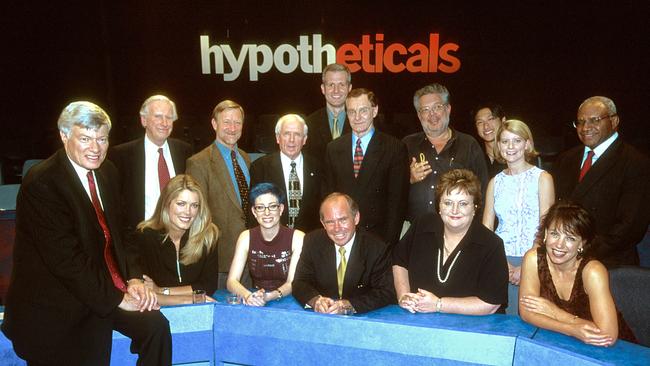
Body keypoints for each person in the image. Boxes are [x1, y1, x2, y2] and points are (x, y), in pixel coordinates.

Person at [1, 101, 171, 365]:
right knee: (91, 345)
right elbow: (67, 261)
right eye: (85, 138)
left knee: (156, 328)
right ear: (64, 136)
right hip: (56, 304)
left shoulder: (108, 172)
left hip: (101, 287)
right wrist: (118, 298)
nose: (95, 148)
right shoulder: (42, 182)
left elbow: (123, 234)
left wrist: (134, 278)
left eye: (102, 139)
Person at [519, 201, 637, 346]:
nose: (559, 245)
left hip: (612, 351)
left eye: (570, 238)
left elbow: (607, 336)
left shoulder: (593, 271)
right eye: (554, 234)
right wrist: (571, 329)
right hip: (565, 340)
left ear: (582, 243)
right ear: (545, 234)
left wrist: (554, 313)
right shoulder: (533, 259)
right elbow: (526, 312)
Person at [393, 169, 508, 315]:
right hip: (420, 321)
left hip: (472, 328)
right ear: (439, 206)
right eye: (448, 203)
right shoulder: (422, 225)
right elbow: (399, 261)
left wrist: (439, 305)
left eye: (463, 204)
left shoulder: (491, 244)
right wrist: (404, 296)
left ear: (475, 208)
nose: (454, 210)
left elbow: (491, 303)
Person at [553, 96, 650, 267]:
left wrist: (582, 252)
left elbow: (630, 227)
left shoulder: (635, 163)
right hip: (564, 262)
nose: (585, 128)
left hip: (611, 265)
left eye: (594, 120)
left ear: (614, 121)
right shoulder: (566, 159)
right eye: (580, 122)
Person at [482, 119, 554, 314]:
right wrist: (501, 263)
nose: (511, 146)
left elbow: (547, 225)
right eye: (505, 141)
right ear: (498, 146)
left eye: (517, 140)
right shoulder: (494, 182)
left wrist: (527, 265)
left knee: (529, 317)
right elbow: (486, 227)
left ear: (527, 144)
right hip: (499, 258)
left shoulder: (543, 178)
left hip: (534, 256)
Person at [325, 88, 409, 246]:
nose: (357, 117)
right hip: (341, 237)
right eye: (351, 112)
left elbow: (397, 204)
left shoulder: (394, 148)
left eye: (363, 111)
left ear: (375, 111)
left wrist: (387, 245)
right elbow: (330, 196)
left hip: (378, 240)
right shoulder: (333, 148)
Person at [293, 193, 394, 314]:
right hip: (323, 316)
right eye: (330, 222)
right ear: (323, 223)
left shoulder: (377, 248)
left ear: (356, 218)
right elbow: (300, 282)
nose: (337, 228)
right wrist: (316, 301)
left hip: (362, 318)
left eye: (342, 220)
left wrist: (349, 306)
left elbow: (386, 291)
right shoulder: (312, 241)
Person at [186, 99, 251, 289]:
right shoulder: (198, 162)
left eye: (237, 122)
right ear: (214, 124)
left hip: (250, 258)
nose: (233, 128)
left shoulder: (246, 159)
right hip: (220, 261)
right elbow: (196, 216)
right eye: (227, 122)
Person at [404, 84, 488, 222]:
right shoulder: (407, 144)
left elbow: (482, 191)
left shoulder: (469, 144)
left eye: (437, 107)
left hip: (458, 230)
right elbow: (391, 190)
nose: (432, 114)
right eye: (425, 110)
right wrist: (409, 178)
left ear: (448, 109)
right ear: (419, 115)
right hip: (414, 231)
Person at [110, 95, 193, 234]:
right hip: (141, 237)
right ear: (144, 120)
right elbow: (116, 203)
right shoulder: (122, 155)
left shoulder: (185, 151)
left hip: (180, 234)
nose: (164, 123)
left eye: (169, 117)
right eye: (158, 116)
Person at [134, 174, 219, 305]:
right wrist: (189, 298)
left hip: (195, 310)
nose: (188, 212)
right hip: (157, 312)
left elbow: (207, 286)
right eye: (181, 204)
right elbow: (146, 292)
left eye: (194, 205)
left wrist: (162, 290)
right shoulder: (145, 236)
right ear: (166, 204)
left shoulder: (208, 235)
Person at [227, 183, 304, 306]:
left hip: (288, 299)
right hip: (255, 297)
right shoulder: (245, 237)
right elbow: (232, 281)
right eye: (260, 207)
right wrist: (248, 296)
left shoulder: (298, 237)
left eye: (272, 206)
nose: (267, 213)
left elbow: (292, 282)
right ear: (254, 211)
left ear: (281, 209)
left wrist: (269, 296)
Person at [250, 114, 323, 232]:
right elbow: (254, 210)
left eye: (297, 134)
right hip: (273, 239)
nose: (292, 140)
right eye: (287, 134)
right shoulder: (259, 168)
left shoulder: (318, 167)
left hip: (309, 240)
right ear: (278, 138)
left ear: (304, 140)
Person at [305, 63, 352, 158]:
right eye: (331, 85)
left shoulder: (360, 122)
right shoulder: (309, 123)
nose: (336, 90)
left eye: (341, 84)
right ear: (323, 89)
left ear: (349, 88)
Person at [472, 103, 507, 178]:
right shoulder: (474, 160)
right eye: (480, 122)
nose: (486, 126)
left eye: (490, 119)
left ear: (503, 120)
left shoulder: (515, 155)